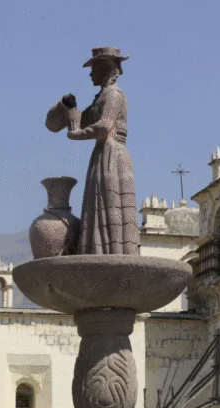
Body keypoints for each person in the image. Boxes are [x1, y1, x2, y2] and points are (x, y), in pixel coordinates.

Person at [59, 46, 139, 256]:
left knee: (111, 201)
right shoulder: (100, 99)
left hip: (113, 154)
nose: (90, 74)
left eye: (94, 68)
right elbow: (81, 119)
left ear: (104, 69)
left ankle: (115, 252)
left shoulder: (114, 95)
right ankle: (100, 250)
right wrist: (69, 109)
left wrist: (78, 134)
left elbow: (104, 125)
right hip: (102, 154)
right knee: (99, 203)